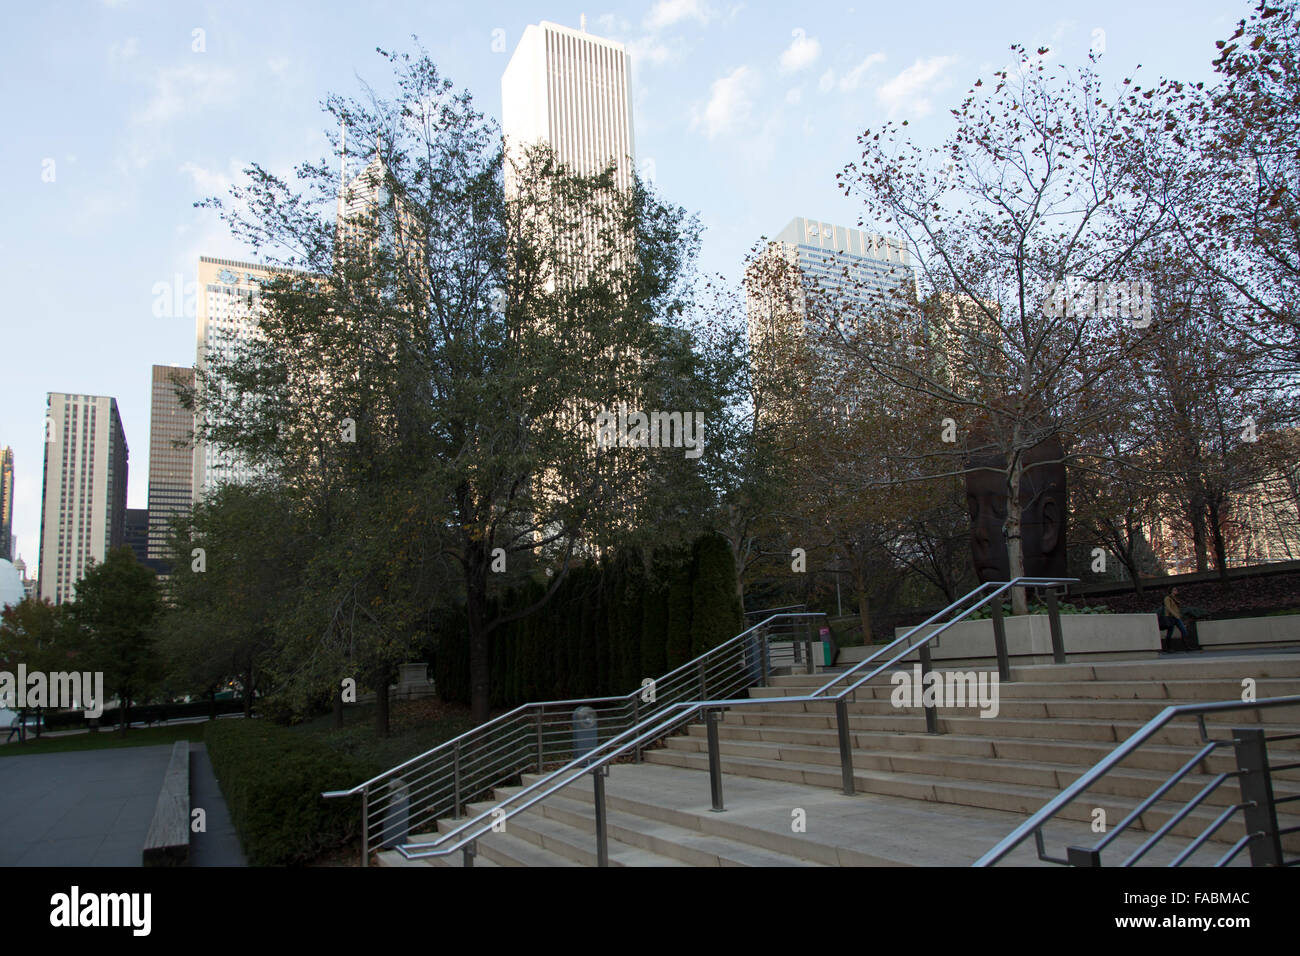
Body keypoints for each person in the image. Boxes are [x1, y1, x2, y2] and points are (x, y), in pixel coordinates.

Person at [1157, 587, 1194, 652]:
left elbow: (1176, 608)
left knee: (1184, 630)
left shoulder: (1175, 598)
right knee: (1170, 632)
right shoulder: (1167, 598)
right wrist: (1175, 615)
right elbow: (1168, 608)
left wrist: (1178, 615)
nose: (1176, 591)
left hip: (1176, 617)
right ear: (1171, 591)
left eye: (1176, 590)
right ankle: (1168, 648)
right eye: (1174, 590)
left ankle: (1187, 646)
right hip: (1170, 617)